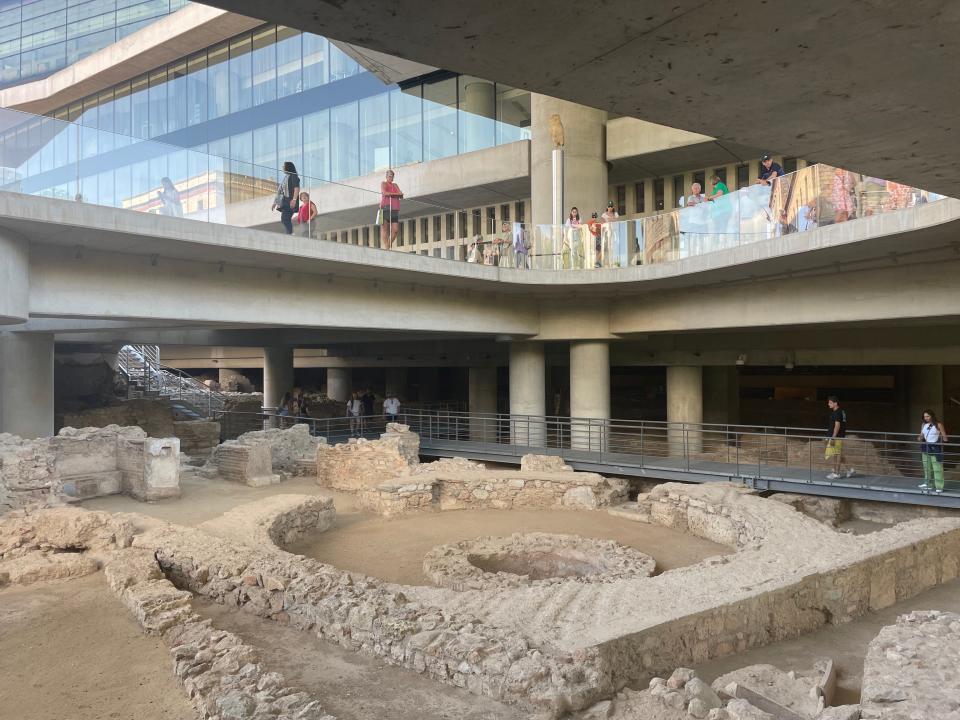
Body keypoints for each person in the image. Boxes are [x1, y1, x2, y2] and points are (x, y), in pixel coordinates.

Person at [824, 395, 855, 480]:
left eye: (830, 403)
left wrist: (833, 437)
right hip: (837, 436)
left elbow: (837, 425)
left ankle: (836, 473)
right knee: (837, 453)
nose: (828, 404)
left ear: (835, 403)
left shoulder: (838, 412)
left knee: (836, 454)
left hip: (836, 437)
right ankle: (849, 469)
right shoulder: (841, 411)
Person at [918, 410, 948, 493]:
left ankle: (939, 486)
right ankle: (928, 484)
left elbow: (945, 437)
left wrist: (941, 440)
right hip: (925, 447)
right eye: (924, 417)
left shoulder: (938, 425)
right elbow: (921, 435)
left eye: (927, 416)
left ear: (932, 416)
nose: (926, 418)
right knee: (927, 467)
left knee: (937, 468)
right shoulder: (923, 424)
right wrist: (919, 438)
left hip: (935, 448)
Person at [272, 161, 300, 235]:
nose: (282, 168)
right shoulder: (285, 177)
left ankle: (290, 233)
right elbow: (280, 191)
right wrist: (275, 203)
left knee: (285, 218)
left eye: (284, 166)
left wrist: (294, 200)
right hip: (285, 201)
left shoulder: (293, 176)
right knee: (284, 219)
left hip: (290, 201)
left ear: (288, 167)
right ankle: (290, 233)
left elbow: (296, 188)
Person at [379, 169, 403, 249]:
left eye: (392, 176)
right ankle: (387, 247)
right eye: (389, 176)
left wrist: (396, 194)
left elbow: (401, 196)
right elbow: (385, 193)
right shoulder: (383, 183)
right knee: (384, 228)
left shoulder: (395, 185)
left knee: (395, 230)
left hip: (395, 209)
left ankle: (388, 245)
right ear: (386, 177)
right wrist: (397, 194)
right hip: (385, 207)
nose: (391, 178)